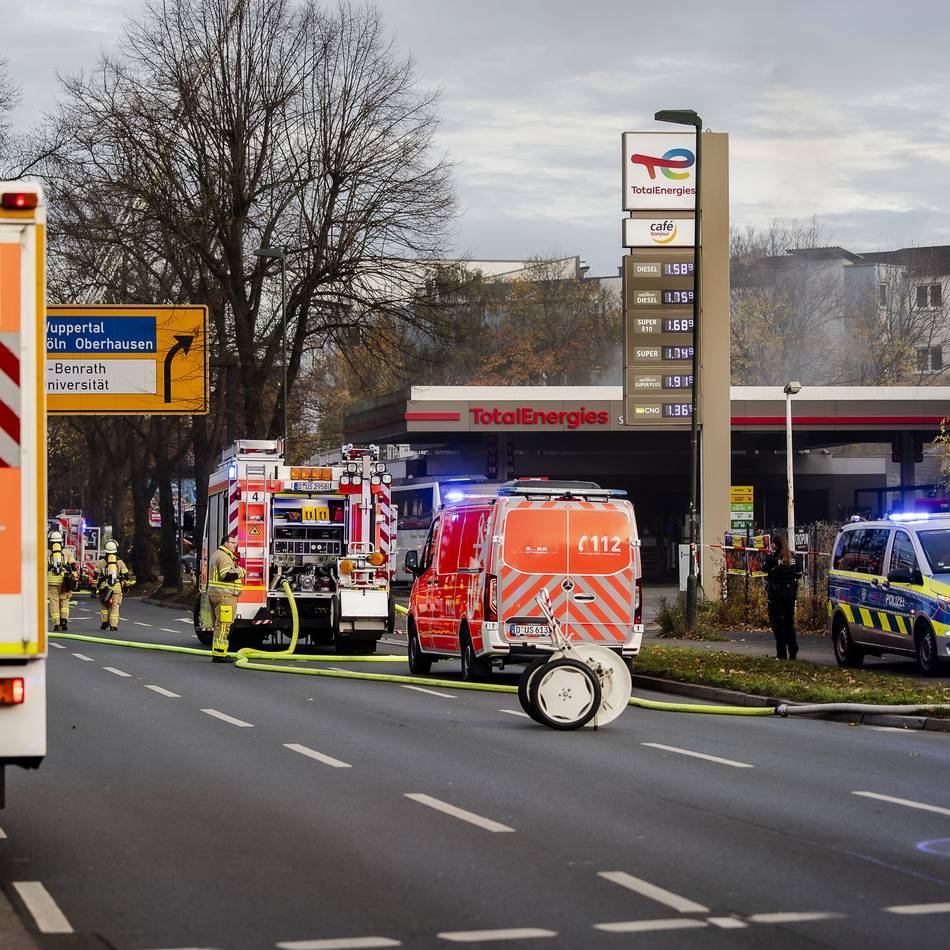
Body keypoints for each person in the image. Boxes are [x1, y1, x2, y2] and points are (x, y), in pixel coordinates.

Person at [207, 533, 246, 663]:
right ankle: (220, 654)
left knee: (218, 625)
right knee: (224, 626)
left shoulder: (217, 554)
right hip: (225, 596)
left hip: (216, 595)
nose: (235, 545)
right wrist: (241, 571)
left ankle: (218, 652)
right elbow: (226, 575)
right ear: (226, 543)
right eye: (233, 543)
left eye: (236, 543)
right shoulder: (225, 556)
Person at [763, 532, 802, 660]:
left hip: (776, 594)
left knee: (777, 624)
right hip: (790, 594)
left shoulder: (773, 558)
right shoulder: (793, 557)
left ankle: (781, 653)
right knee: (789, 623)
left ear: (775, 544)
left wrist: (769, 554)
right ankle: (793, 650)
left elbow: (764, 567)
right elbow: (799, 573)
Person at [96, 539, 134, 632]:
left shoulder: (101, 562)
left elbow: (96, 576)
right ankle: (113, 625)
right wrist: (127, 585)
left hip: (104, 588)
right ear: (116, 550)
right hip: (116, 587)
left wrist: (95, 586)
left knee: (104, 605)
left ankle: (105, 622)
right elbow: (125, 575)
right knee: (115, 606)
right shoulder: (120, 562)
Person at [47, 530, 78, 632]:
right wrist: (75, 578)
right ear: (61, 541)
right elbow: (73, 567)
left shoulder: (46, 553)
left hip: (51, 581)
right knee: (64, 600)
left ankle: (56, 624)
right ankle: (64, 619)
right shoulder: (67, 552)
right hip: (65, 580)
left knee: (54, 602)